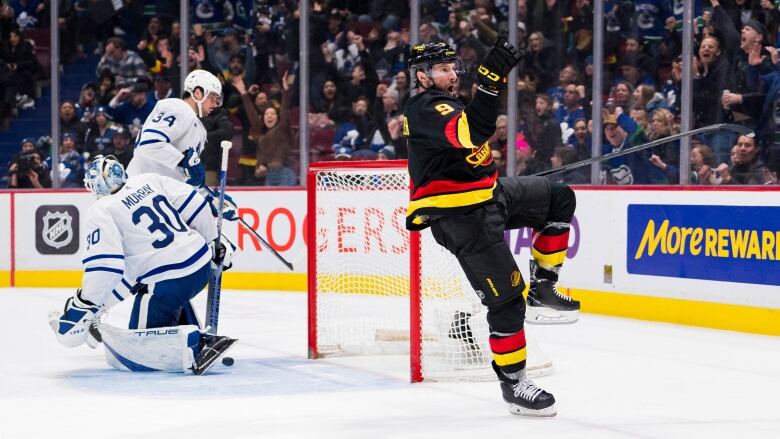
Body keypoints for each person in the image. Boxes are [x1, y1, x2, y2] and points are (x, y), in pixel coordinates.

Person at [404, 37, 579, 417]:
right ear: (422, 76)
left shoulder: (447, 103)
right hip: (461, 219)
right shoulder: (424, 107)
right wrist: (489, 82)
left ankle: (544, 287)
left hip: (491, 196)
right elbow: (472, 133)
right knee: (506, 301)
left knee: (559, 197)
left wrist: (486, 85)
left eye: (453, 67)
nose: (452, 74)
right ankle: (514, 383)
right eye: (443, 69)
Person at [48, 155, 236, 374]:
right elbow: (195, 204)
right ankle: (190, 328)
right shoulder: (148, 180)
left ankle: (192, 342)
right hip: (200, 266)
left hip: (168, 284)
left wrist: (83, 304)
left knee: (140, 347)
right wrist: (212, 240)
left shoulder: (101, 210)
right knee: (154, 284)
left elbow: (106, 268)